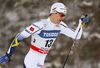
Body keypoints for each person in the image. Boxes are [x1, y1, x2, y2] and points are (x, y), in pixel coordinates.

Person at [0, 2, 89, 68]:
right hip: (31, 60)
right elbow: (19, 37)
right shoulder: (40, 25)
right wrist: (8, 54)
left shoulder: (60, 26)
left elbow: (76, 36)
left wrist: (81, 23)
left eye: (64, 15)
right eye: (61, 14)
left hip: (41, 61)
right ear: (54, 13)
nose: (62, 17)